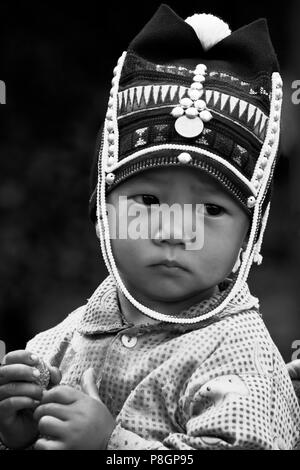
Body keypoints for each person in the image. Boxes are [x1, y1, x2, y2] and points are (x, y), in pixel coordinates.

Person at [1, 4, 300, 450]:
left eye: (211, 210)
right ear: (103, 209)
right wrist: (19, 432)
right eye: (148, 200)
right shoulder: (60, 342)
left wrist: (111, 445)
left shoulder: (240, 355)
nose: (176, 229)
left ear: (249, 233)